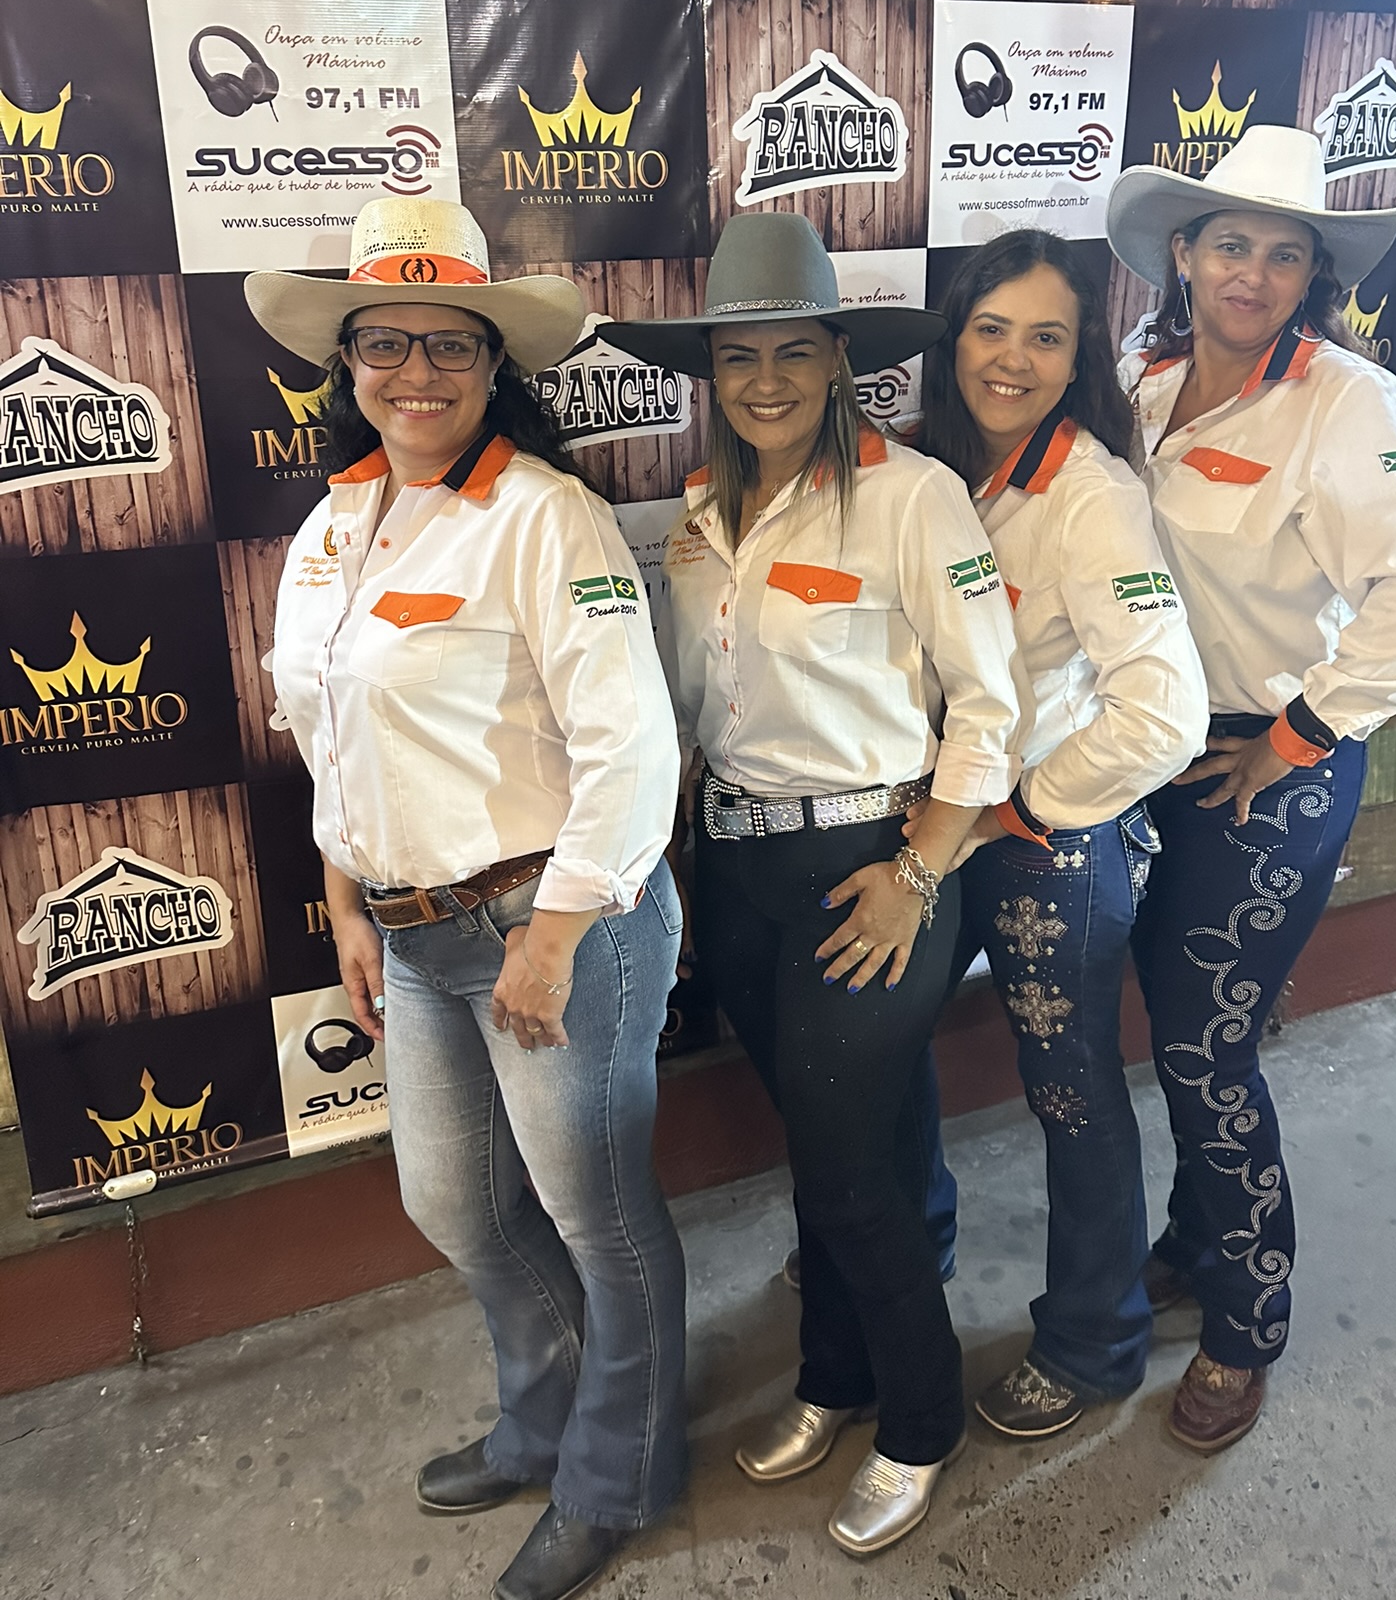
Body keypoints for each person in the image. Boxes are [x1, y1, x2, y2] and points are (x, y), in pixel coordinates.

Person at [250, 199, 687, 1600]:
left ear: (495, 364)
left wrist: (554, 939)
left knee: (597, 1216)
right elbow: (329, 736)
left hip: (551, 923)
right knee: (455, 1203)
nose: (417, 372)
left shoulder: (548, 518)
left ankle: (618, 1474)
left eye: (450, 344)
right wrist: (345, 899)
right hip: (411, 929)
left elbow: (636, 747)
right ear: (349, 361)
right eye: (386, 342)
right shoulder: (333, 524)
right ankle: (546, 1419)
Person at [602, 214, 1023, 1558]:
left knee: (846, 1172)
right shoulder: (701, 514)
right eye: (739, 357)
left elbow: (991, 706)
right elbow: (689, 709)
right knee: (833, 1153)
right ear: (711, 373)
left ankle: (922, 1418)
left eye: (794, 351)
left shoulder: (914, 496)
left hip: (873, 867)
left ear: (841, 358)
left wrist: (917, 870)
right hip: (739, 865)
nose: (766, 380)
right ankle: (835, 1375)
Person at [1105, 127, 1396, 1451]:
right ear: (1183, 253)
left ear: (1310, 274)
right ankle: (1193, 1238)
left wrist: (1300, 731)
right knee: (1178, 1027)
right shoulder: (1142, 378)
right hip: (1149, 751)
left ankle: (1246, 1321)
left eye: (1283, 254)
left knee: (1206, 1048)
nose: (1252, 273)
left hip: (1269, 761)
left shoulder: (1348, 401)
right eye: (1231, 244)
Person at [905, 229, 1208, 1440]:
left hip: (1047, 839)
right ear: (953, 339)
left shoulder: (1093, 494)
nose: (1013, 359)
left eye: (1047, 337)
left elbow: (1166, 712)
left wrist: (1019, 808)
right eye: (992, 329)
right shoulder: (925, 468)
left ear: (1081, 357)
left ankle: (1096, 1338)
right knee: (882, 1049)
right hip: (936, 818)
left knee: (1072, 1093)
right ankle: (903, 1246)